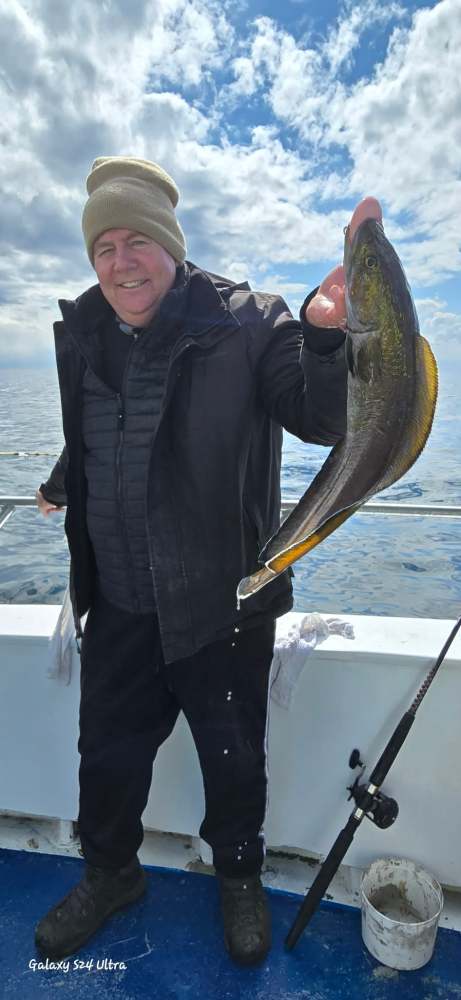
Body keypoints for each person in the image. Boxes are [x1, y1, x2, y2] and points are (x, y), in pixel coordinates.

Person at [34, 156, 348, 966]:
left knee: (234, 758)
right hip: (119, 600)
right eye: (103, 247)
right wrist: (62, 482)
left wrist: (323, 338)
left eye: (136, 241)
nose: (120, 263)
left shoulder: (249, 322)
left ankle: (238, 876)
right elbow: (99, 434)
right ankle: (110, 874)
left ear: (171, 245)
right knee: (105, 757)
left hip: (222, 602)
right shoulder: (86, 330)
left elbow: (321, 420)